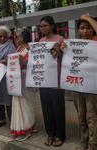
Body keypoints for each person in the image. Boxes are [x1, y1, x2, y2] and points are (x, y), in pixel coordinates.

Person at [61, 13, 97, 150]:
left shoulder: (95, 41)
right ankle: (84, 142)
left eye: (88, 27)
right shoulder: (73, 45)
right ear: (78, 30)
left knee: (92, 117)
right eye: (82, 28)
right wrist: (62, 50)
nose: (85, 30)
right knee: (81, 117)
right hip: (77, 87)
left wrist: (88, 18)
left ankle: (93, 145)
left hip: (93, 88)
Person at [0, 28, 37, 141]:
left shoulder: (29, 48)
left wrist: (21, 61)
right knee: (22, 104)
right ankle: (29, 125)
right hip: (17, 80)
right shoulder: (20, 48)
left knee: (26, 104)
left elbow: (33, 66)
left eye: (17, 36)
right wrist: (4, 61)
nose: (16, 38)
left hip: (25, 80)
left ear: (22, 38)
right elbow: (15, 61)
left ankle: (26, 129)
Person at [38, 16, 65, 147]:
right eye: (41, 26)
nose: (42, 28)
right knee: (46, 109)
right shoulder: (41, 41)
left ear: (52, 26)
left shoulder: (60, 39)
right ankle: (50, 134)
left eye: (45, 25)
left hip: (57, 80)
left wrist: (59, 50)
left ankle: (60, 135)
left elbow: (66, 60)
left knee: (58, 109)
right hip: (44, 81)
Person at [0, 25, 16, 128]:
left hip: (6, 76)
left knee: (8, 99)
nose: (2, 39)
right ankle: (1, 119)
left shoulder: (10, 45)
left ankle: (11, 121)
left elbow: (14, 58)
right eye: (0, 36)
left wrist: (4, 61)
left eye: (5, 37)